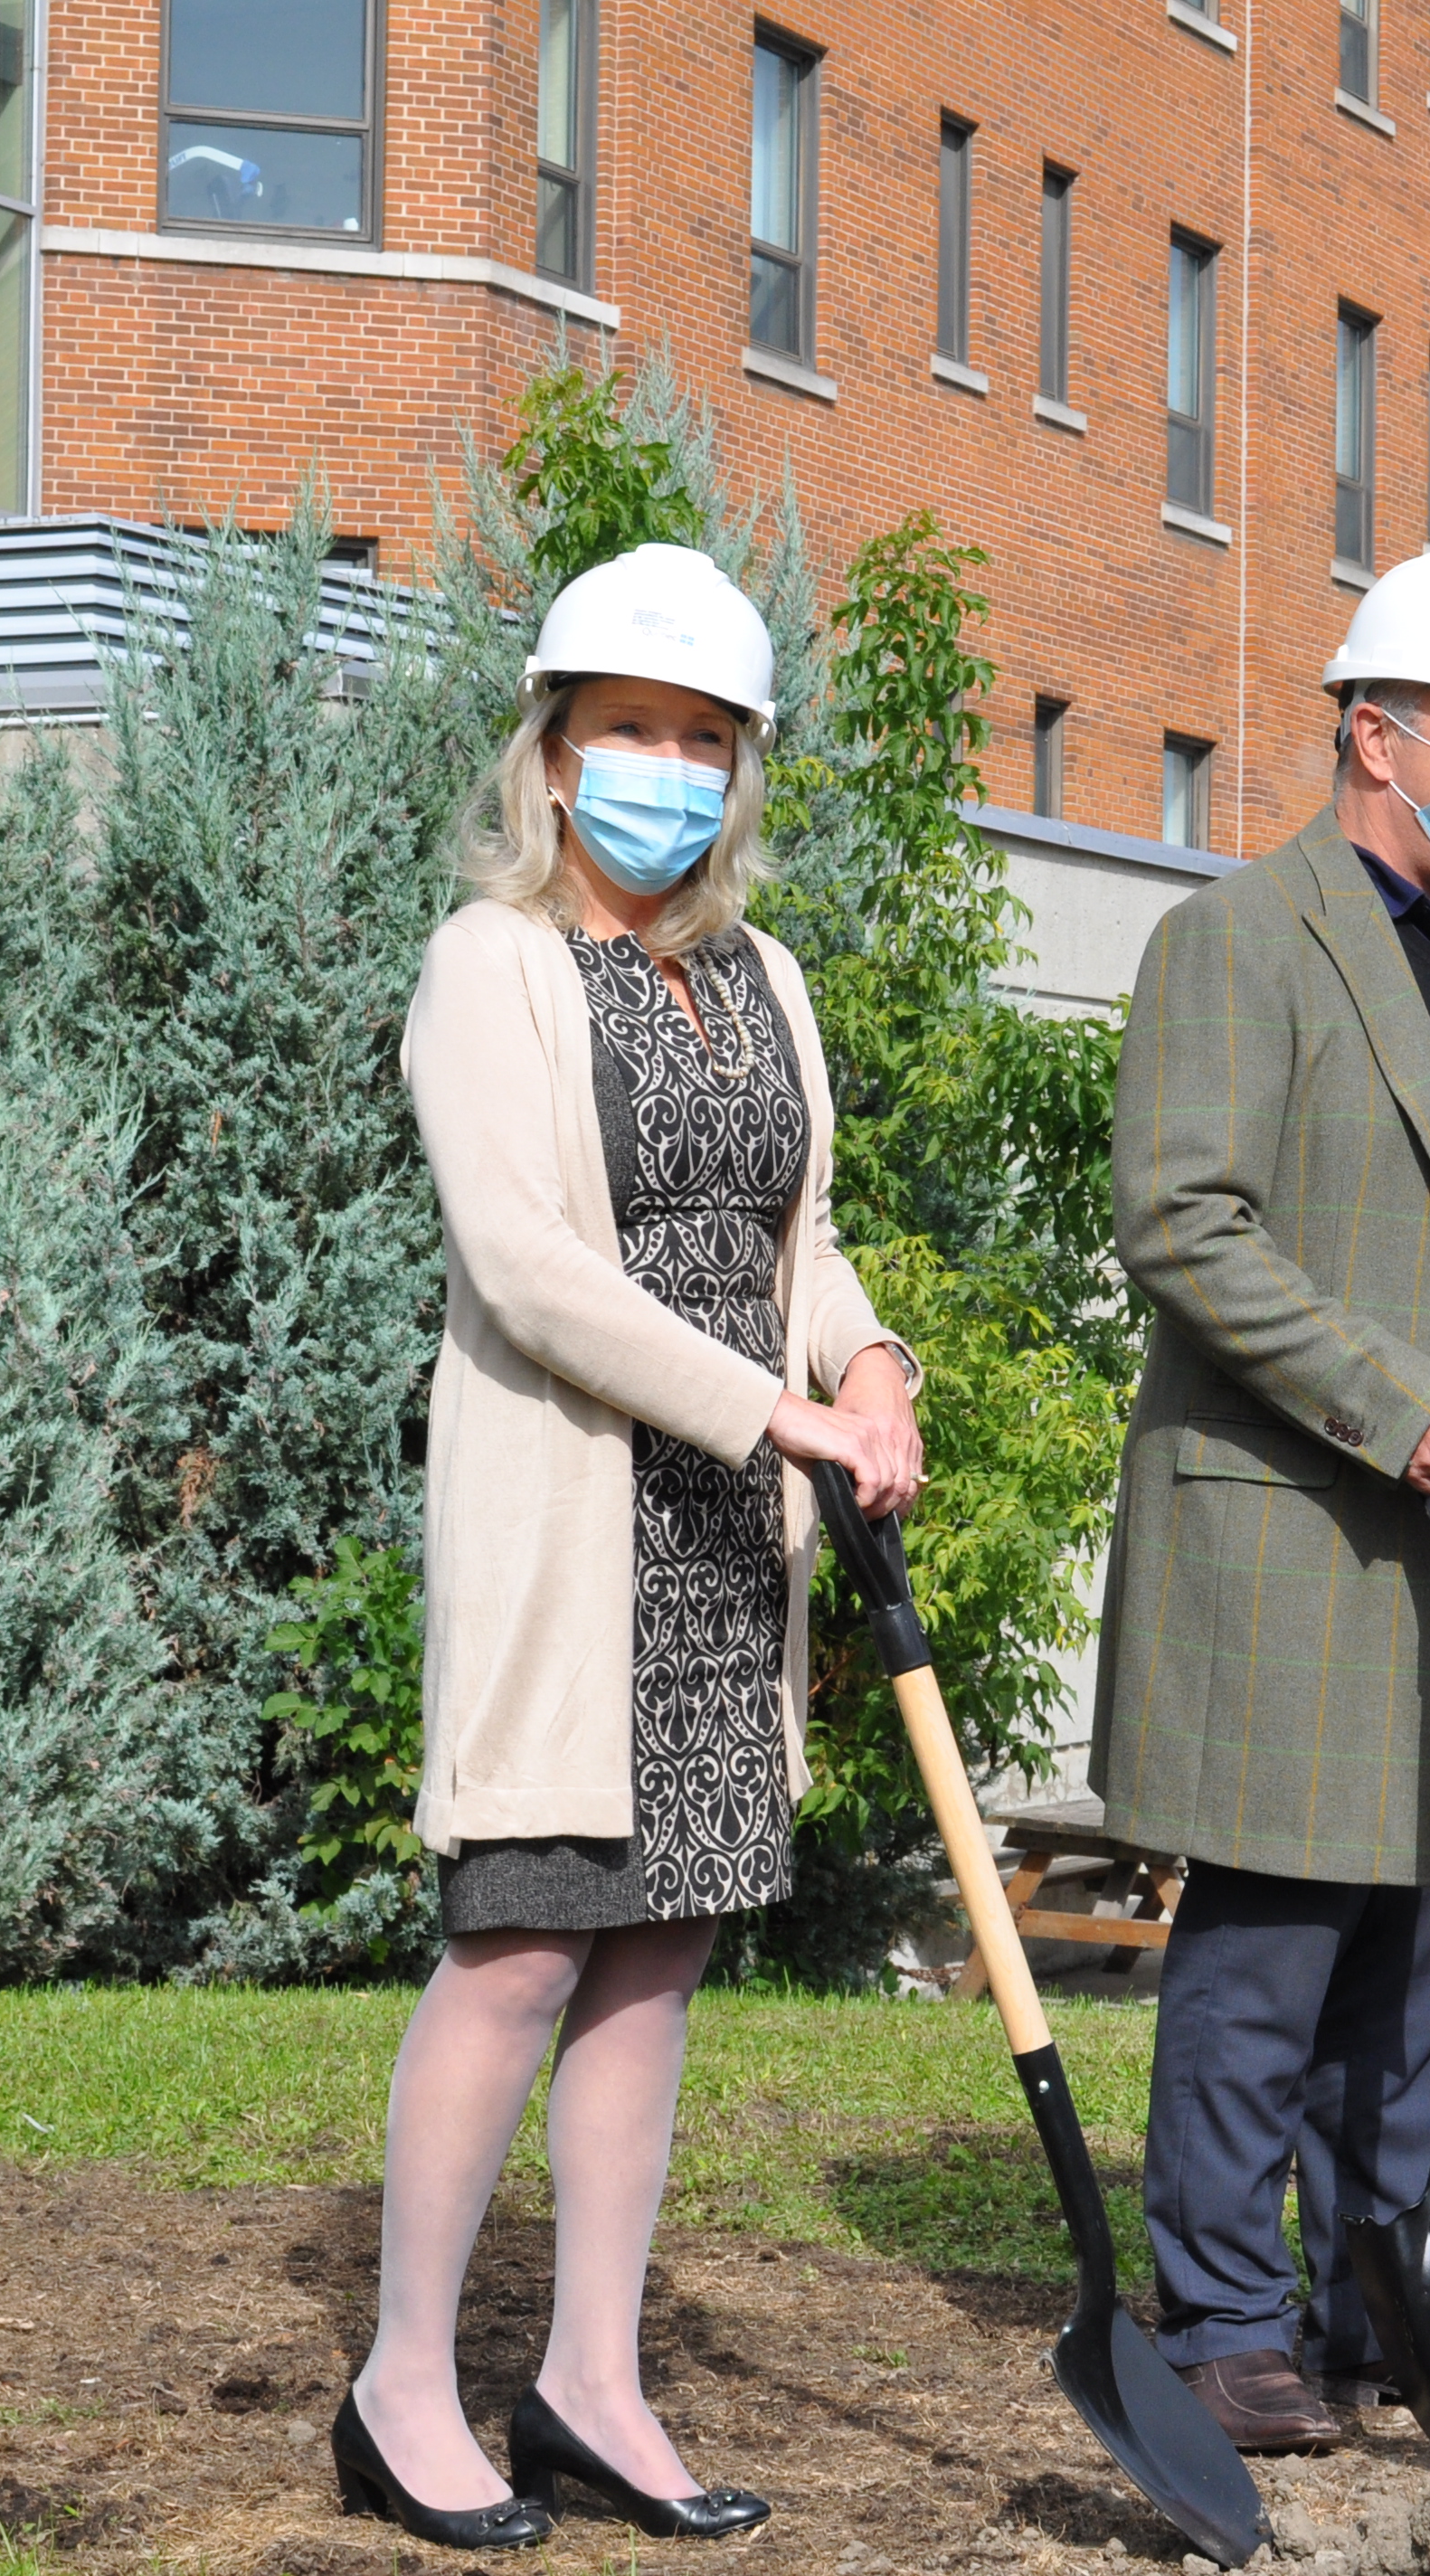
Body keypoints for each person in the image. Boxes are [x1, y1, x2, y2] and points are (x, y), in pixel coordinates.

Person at [355, 542, 922, 2548]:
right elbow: (523, 1266)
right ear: (554, 750)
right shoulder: (484, 965)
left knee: (657, 1956)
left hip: (716, 1546)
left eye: (705, 737)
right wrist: (763, 1402)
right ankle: (402, 2377)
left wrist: (870, 1365)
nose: (668, 768)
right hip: (571, 1533)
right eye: (632, 732)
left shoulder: (761, 976)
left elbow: (801, 1236)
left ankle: (589, 2374)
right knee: (515, 1949)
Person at [1097, 546, 1430, 2453]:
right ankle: (1223, 2308)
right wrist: (1399, 1400)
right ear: (1371, 732)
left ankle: (1367, 2293)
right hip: (1301, 1521)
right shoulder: (1242, 935)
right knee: (1269, 1947)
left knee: (1412, 1946)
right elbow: (1182, 1219)